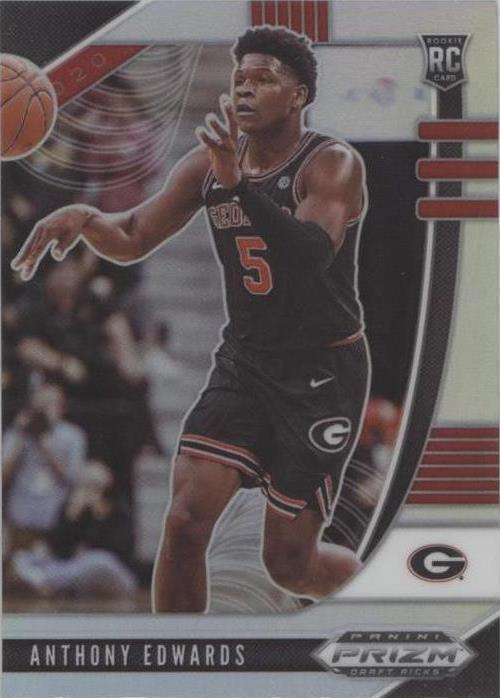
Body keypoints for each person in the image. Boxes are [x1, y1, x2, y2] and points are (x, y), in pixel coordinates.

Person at [12, 27, 370, 612]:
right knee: (183, 520)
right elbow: (134, 233)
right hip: (246, 364)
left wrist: (238, 187)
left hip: (321, 372)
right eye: (240, 78)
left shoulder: (332, 163)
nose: (245, 88)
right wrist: (87, 219)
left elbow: (308, 257)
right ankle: (182, 654)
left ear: (299, 95)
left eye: (263, 79)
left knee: (289, 566)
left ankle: (377, 590)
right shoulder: (209, 164)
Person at [3, 383, 87, 551]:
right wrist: (20, 437)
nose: (43, 410)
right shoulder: (17, 433)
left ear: (61, 408)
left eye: (49, 404)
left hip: (55, 521)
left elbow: (72, 478)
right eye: (39, 405)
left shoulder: (72, 435)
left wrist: (44, 446)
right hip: (20, 519)